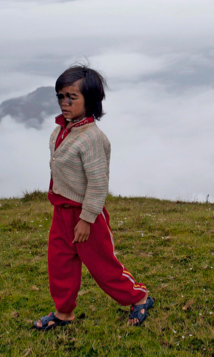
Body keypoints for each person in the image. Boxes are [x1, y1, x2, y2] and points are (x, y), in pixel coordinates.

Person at [34, 65, 153, 331]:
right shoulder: (61, 131)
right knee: (59, 265)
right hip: (62, 213)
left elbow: (99, 184)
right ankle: (63, 313)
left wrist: (86, 219)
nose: (64, 102)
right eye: (60, 96)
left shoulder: (91, 138)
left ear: (90, 101)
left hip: (86, 215)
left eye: (71, 97)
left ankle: (140, 297)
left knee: (103, 267)